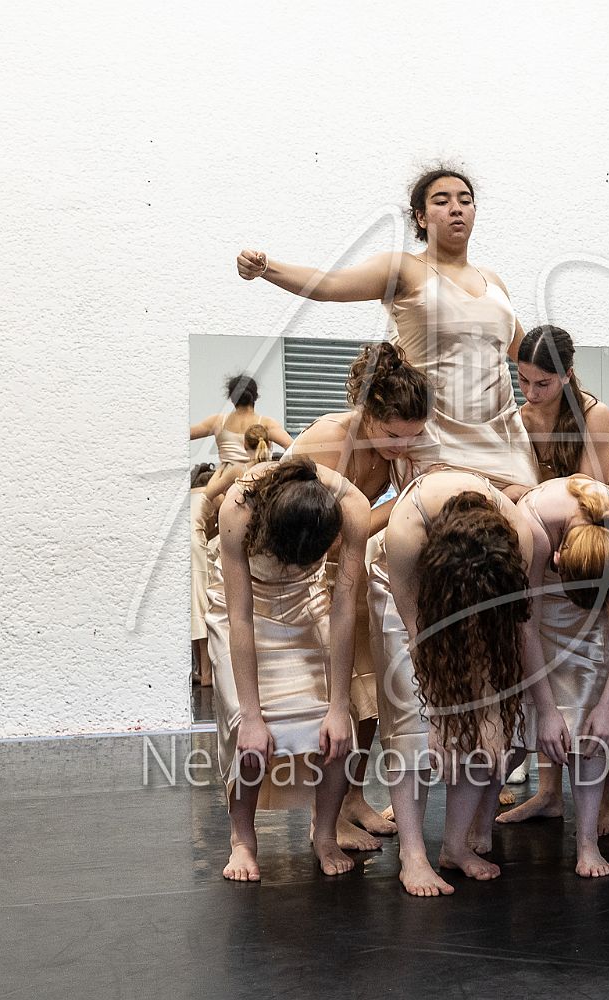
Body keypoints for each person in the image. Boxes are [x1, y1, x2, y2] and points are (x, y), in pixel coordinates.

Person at [236, 167, 537, 493]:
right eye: (442, 201)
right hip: (436, 440)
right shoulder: (402, 268)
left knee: (530, 517)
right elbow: (328, 285)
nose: (456, 208)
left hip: (504, 438)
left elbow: (528, 357)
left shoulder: (493, 281)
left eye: (465, 201)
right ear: (421, 217)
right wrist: (266, 268)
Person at [368, 467, 569, 896]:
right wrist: (440, 713)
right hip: (411, 598)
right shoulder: (405, 532)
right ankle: (413, 855)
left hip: (488, 598)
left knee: (486, 728)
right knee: (412, 722)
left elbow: (514, 627)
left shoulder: (519, 536)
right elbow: (418, 636)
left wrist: (492, 711)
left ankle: (455, 846)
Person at [283, 341, 431, 839]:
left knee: (367, 688)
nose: (402, 446)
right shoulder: (331, 439)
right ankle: (320, 815)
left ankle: (352, 796)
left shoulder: (397, 449)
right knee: (330, 695)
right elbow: (312, 531)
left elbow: (375, 522)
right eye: (392, 435)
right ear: (367, 414)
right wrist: (393, 507)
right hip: (294, 571)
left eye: (412, 436)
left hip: (346, 564)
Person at [204, 458, 371, 882]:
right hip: (243, 608)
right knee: (249, 727)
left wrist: (338, 706)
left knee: (337, 725)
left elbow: (344, 610)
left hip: (306, 600)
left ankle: (326, 832)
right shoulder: (238, 507)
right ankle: (243, 838)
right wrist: (252, 715)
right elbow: (240, 618)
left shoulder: (353, 507)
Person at [499, 476, 609, 877]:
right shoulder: (531, 525)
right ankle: (474, 828)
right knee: (516, 722)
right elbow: (524, 623)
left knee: (590, 724)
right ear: (559, 556)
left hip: (591, 622)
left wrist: (608, 705)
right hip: (534, 612)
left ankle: (587, 843)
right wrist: (548, 710)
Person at [515, 325, 609, 481]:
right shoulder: (519, 419)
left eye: (542, 384)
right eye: (524, 380)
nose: (530, 393)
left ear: (567, 375)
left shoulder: (594, 415)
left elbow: (589, 490)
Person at [190, 374, 292, 467]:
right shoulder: (267, 424)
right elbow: (294, 448)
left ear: (231, 398)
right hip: (257, 477)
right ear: (255, 396)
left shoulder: (217, 421)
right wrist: (277, 468)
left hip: (226, 479)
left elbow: (184, 435)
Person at [190, 463, 217, 688]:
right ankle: (207, 674)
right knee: (201, 607)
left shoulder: (189, 496)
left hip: (186, 546)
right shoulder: (211, 493)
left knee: (192, 608)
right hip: (196, 547)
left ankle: (199, 670)